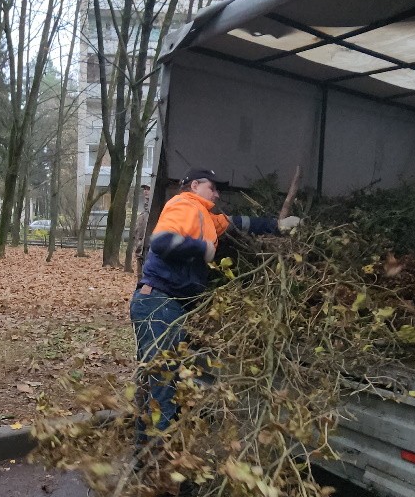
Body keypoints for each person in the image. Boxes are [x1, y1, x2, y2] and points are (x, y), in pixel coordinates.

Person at [129, 167, 301, 442]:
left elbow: (238, 222)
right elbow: (160, 241)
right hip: (159, 304)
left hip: (168, 305)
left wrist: (276, 226)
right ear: (194, 185)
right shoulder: (184, 204)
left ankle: (147, 458)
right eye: (213, 187)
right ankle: (152, 465)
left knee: (159, 383)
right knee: (162, 386)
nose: (218, 193)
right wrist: (201, 249)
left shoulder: (207, 216)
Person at [133, 184, 152, 280]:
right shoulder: (144, 211)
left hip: (148, 252)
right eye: (144, 189)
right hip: (140, 252)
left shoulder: (152, 211)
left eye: (148, 189)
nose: (145, 191)